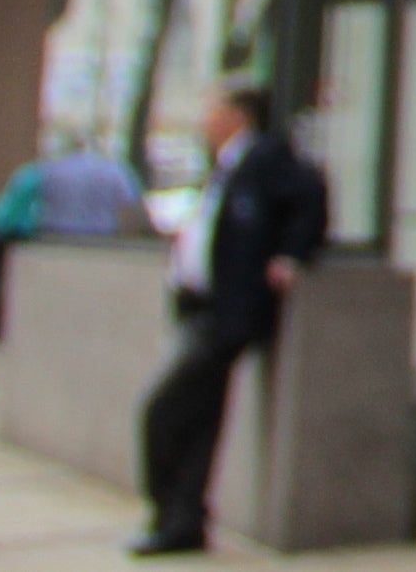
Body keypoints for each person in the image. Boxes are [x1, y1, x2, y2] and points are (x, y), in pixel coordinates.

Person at [134, 82, 328, 556]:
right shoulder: (224, 167)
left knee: (162, 413)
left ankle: (170, 510)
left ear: (236, 117)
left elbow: (312, 197)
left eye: (212, 111)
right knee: (201, 422)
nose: (204, 121)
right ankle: (184, 522)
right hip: (199, 305)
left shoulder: (264, 159)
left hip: (227, 313)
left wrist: (290, 255)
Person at [0, 134, 146, 338]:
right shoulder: (117, 172)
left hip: (53, 240)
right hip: (102, 241)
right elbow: (134, 210)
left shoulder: (42, 171)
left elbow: (7, 218)